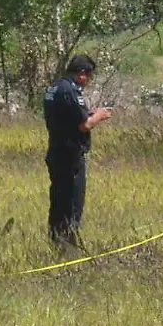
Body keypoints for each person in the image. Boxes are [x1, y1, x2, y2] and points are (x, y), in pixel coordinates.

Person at [43, 53, 113, 248]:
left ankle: (56, 241)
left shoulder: (54, 88)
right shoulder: (70, 91)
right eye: (89, 77)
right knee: (72, 204)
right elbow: (84, 125)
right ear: (82, 74)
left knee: (58, 202)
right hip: (70, 156)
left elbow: (65, 117)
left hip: (56, 152)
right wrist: (100, 115)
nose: (88, 81)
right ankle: (68, 247)